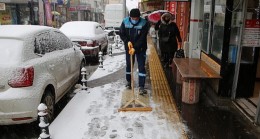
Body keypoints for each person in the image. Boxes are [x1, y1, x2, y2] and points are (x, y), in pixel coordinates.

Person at [119, 8, 149, 95]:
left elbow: (142, 38)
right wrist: (127, 41)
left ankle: (141, 86)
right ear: (130, 17)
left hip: (140, 48)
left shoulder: (144, 23)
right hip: (129, 47)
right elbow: (121, 33)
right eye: (133, 18)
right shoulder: (125, 22)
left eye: (136, 18)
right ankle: (129, 82)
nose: (135, 20)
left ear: (139, 17)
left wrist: (135, 48)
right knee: (129, 65)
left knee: (141, 66)